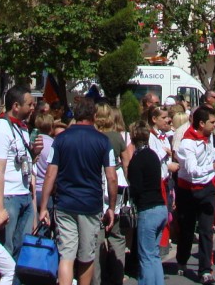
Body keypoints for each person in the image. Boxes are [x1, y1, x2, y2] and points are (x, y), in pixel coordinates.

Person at [37, 97, 117, 285]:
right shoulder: (103, 141)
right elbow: (111, 177)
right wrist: (111, 206)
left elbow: (50, 174)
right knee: (87, 256)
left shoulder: (61, 139)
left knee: (66, 255)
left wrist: (43, 207)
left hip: (65, 203)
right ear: (94, 115)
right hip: (90, 204)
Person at [0, 85, 41, 259]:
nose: (32, 108)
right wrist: (0, 209)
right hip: (9, 196)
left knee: (22, 249)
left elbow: (23, 162)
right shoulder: (1, 128)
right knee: (7, 250)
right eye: (29, 104)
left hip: (24, 195)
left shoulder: (21, 128)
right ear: (16, 106)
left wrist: (34, 154)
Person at [174, 106, 215, 285]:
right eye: (212, 122)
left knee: (207, 230)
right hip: (188, 190)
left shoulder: (209, 137)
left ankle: (205, 270)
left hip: (207, 188)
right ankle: (182, 259)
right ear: (201, 123)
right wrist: (213, 167)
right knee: (187, 229)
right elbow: (192, 171)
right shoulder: (187, 143)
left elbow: (211, 154)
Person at [94, 105, 130, 285]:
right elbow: (126, 164)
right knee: (117, 237)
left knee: (97, 239)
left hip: (96, 189)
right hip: (116, 187)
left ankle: (98, 279)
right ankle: (117, 277)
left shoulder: (93, 137)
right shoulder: (117, 137)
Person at [127, 122, 166, 285]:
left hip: (148, 210)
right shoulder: (153, 155)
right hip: (160, 207)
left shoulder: (136, 160)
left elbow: (136, 187)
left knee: (146, 257)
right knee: (154, 254)